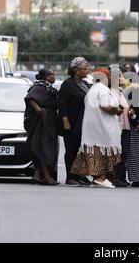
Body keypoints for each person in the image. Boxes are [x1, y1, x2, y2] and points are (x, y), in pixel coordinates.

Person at [71, 67, 123, 188]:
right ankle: (100, 178)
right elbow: (105, 106)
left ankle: (97, 178)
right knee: (103, 151)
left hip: (93, 126)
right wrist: (117, 110)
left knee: (95, 151)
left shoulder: (93, 89)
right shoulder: (103, 89)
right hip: (102, 127)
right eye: (109, 76)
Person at [58, 57, 92, 186]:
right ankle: (70, 177)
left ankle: (80, 175)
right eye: (85, 68)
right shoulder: (68, 84)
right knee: (71, 151)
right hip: (72, 122)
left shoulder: (85, 84)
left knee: (82, 151)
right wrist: (65, 121)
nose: (87, 70)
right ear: (77, 70)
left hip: (84, 123)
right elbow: (61, 104)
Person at [24, 68, 60, 186]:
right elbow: (30, 98)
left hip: (48, 121)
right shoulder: (40, 86)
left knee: (43, 148)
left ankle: (38, 175)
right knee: (43, 149)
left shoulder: (48, 87)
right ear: (47, 76)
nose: (55, 76)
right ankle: (46, 176)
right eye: (53, 74)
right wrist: (39, 111)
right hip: (41, 123)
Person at [110, 68, 133, 187]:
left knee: (123, 153)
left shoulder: (120, 92)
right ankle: (114, 177)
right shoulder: (110, 92)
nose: (123, 78)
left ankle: (119, 177)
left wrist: (130, 112)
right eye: (120, 76)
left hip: (125, 126)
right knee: (117, 152)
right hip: (116, 127)